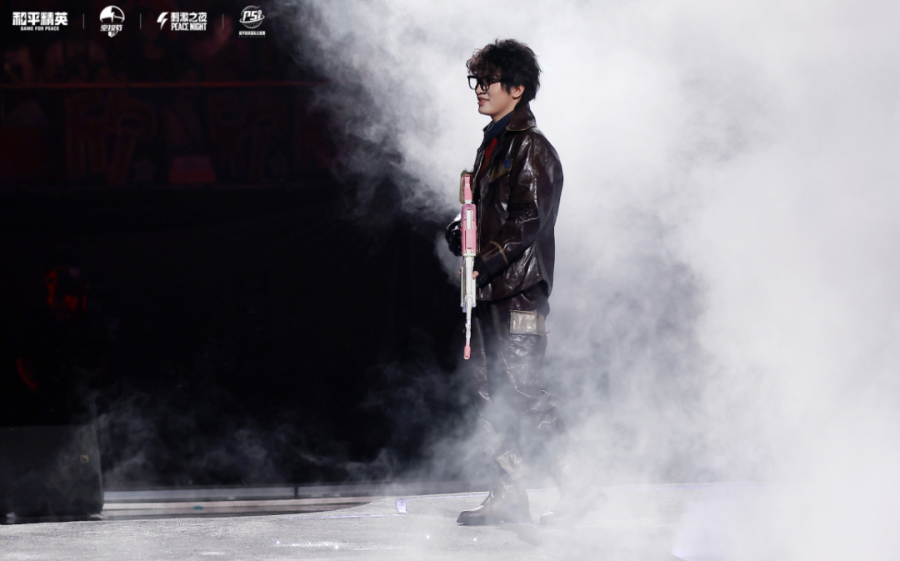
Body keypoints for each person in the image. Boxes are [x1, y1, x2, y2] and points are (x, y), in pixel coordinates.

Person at [446, 39, 603, 526]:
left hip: (520, 295)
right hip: (490, 291)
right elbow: (485, 214)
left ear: (517, 88)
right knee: (491, 395)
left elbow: (528, 221)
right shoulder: (493, 145)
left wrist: (485, 260)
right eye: (476, 81)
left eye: (487, 81)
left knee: (524, 392)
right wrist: (459, 231)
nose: (479, 89)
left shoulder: (532, 148)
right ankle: (510, 496)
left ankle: (580, 487)